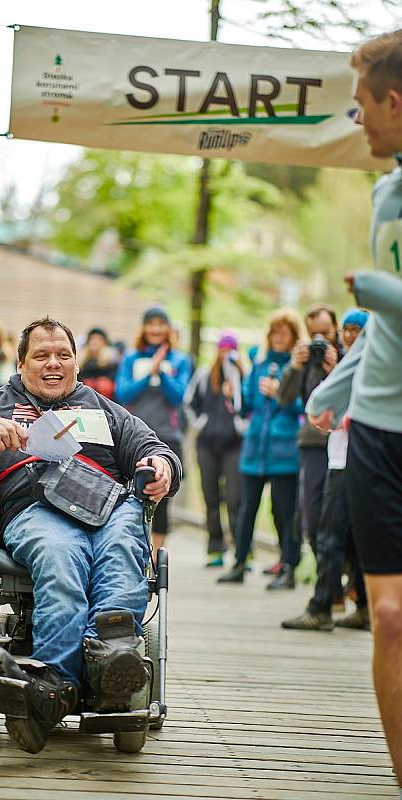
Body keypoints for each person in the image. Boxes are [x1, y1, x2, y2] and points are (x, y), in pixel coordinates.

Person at [0, 316, 182, 754]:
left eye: (63, 355)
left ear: (76, 362)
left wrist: (162, 467)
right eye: (42, 355)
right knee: (61, 554)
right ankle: (75, 682)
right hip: (35, 508)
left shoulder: (102, 409)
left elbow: (153, 447)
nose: (54, 364)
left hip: (107, 503)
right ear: (21, 362)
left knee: (125, 544)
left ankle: (105, 661)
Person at [305, 30, 402, 794]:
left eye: (360, 106)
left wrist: (373, 292)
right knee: (390, 617)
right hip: (375, 430)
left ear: (393, 103)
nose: (356, 120)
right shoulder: (382, 193)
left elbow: (386, 304)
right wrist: (332, 391)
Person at [281, 308, 369, 631]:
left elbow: (328, 406)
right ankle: (362, 606)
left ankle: (322, 608)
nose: (350, 336)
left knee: (332, 534)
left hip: (349, 460)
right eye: (346, 329)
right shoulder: (351, 362)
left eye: (357, 330)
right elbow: (296, 399)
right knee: (346, 534)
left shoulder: (363, 364)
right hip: (341, 456)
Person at [217, 310, 303, 589]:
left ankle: (288, 567)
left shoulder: (299, 367)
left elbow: (305, 407)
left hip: (284, 449)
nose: (278, 338)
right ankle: (239, 563)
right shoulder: (260, 363)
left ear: (293, 337)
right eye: (274, 333)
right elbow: (249, 402)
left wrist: (281, 393)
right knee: (246, 508)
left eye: (284, 333)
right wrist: (235, 396)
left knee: (284, 510)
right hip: (255, 448)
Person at [115, 306, 192, 551]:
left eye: (161, 324)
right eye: (151, 323)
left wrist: (163, 373)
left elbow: (179, 397)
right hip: (135, 438)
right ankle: (135, 551)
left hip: (168, 436)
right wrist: (150, 373)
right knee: (132, 495)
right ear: (144, 327)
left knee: (162, 499)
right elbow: (123, 393)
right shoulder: (130, 357)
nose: (156, 329)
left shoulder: (180, 359)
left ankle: (157, 559)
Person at [277, 306, 343, 557]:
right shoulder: (304, 360)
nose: (320, 341)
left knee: (340, 515)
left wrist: (335, 370)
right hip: (313, 441)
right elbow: (284, 398)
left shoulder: (345, 357)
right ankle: (327, 578)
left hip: (344, 445)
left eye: (325, 333)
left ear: (335, 328)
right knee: (312, 517)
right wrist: (294, 366)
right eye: (314, 334)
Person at [185, 330, 243, 567]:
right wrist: (201, 424)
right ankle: (215, 547)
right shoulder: (204, 375)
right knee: (211, 496)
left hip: (234, 445)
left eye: (231, 349)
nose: (226, 354)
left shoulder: (242, 376)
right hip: (207, 444)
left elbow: (245, 405)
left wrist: (240, 424)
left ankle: (242, 549)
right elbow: (189, 402)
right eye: (223, 348)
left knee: (235, 498)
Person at [78, 327, 119, 400]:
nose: (95, 342)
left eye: (99, 339)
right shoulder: (81, 366)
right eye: (92, 339)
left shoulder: (112, 365)